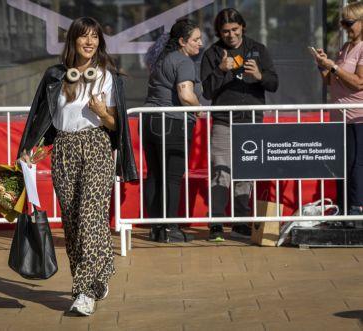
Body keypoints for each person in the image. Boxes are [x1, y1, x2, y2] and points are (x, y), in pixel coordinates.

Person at [18, 17, 138, 316]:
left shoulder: (107, 76)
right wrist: (32, 150)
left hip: (96, 145)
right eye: (83, 37)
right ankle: (100, 271)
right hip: (65, 150)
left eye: (94, 37)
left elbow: (115, 124)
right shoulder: (55, 76)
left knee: (90, 216)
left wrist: (101, 111)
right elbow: (45, 121)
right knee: (72, 223)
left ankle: (84, 291)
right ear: (72, 41)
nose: (89, 42)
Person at [201, 8, 279, 241]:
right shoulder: (212, 53)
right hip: (224, 121)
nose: (231, 35)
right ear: (219, 32)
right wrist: (221, 70)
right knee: (220, 172)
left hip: (252, 120)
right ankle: (216, 221)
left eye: (235, 29)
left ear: (242, 27)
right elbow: (206, 91)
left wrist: (259, 76)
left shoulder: (258, 49)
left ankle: (241, 221)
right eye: (225, 31)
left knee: (246, 172)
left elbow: (274, 83)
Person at [142, 19, 203, 243]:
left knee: (155, 176)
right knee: (172, 178)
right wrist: (199, 110)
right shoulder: (183, 61)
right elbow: (186, 94)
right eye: (196, 39)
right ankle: (170, 229)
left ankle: (156, 228)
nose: (200, 43)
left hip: (148, 121)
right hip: (171, 123)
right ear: (182, 41)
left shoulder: (160, 59)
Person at [311, 1, 363, 222]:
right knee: (341, 165)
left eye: (349, 22)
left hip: (357, 117)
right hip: (340, 117)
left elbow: (359, 83)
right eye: (342, 22)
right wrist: (323, 64)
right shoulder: (345, 47)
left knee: (355, 165)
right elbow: (333, 82)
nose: (344, 26)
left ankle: (357, 208)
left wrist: (334, 67)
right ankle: (343, 208)